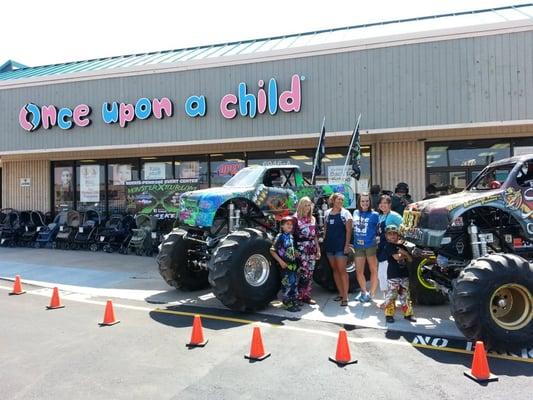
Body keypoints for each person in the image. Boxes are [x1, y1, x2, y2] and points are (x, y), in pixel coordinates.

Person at [323, 192, 353, 307]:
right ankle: (341, 293)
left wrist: (346, 246)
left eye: (341, 200)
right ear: (333, 200)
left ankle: (345, 298)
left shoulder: (346, 214)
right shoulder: (327, 213)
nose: (340, 202)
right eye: (338, 199)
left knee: (342, 271)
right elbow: (326, 229)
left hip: (341, 246)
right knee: (335, 270)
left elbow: (349, 231)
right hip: (330, 245)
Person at [382, 225, 416, 323]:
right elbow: (397, 257)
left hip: (404, 274)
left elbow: (410, 259)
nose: (392, 236)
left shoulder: (402, 246)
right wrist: (405, 254)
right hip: (393, 274)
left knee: (405, 295)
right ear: (386, 236)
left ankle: (408, 314)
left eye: (394, 234)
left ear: (398, 235)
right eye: (390, 234)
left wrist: (404, 252)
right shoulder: (388, 246)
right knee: (392, 294)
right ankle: (389, 314)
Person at [352, 193, 380, 303]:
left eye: (367, 201)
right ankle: (363, 292)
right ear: (359, 202)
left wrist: (378, 239)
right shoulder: (355, 212)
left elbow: (380, 229)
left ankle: (371, 294)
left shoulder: (375, 214)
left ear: (370, 202)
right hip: (358, 246)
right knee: (359, 271)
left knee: (373, 270)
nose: (365, 203)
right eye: (362, 201)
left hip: (370, 246)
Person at [294, 197, 320, 305]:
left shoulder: (313, 219)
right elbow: (292, 236)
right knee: (302, 272)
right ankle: (297, 296)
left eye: (309, 205)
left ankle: (306, 295)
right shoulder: (295, 219)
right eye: (305, 205)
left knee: (310, 272)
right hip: (300, 248)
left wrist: (318, 249)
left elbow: (315, 236)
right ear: (301, 206)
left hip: (311, 247)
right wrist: (294, 250)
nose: (308, 207)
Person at [270, 216, 300, 312]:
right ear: (282, 226)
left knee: (293, 284)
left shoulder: (291, 236)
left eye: (291, 224)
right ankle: (287, 303)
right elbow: (272, 250)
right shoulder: (280, 236)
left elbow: (290, 249)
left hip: (293, 265)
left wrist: (295, 253)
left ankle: (293, 301)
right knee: (286, 285)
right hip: (285, 266)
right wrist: (281, 261)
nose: (290, 226)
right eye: (287, 224)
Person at [377, 194, 403, 300]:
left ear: (390, 204)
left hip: (391, 248)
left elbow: (404, 228)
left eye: (385, 203)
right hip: (382, 248)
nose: (383, 205)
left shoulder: (394, 215)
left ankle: (390, 301)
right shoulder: (380, 216)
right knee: (382, 275)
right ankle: (387, 299)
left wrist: (398, 242)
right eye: (381, 203)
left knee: (387, 275)